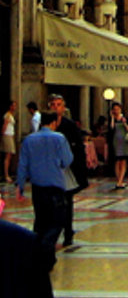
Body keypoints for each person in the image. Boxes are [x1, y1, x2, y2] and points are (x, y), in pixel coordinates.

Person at [16, 112, 74, 270]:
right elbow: (67, 160)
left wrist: (19, 186)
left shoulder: (29, 139)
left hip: (37, 187)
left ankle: (45, 259)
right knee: (57, 221)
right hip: (55, 186)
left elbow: (22, 164)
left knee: (41, 221)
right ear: (54, 123)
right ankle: (45, 247)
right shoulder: (59, 138)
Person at [49, 94, 88, 247]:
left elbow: (78, 147)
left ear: (63, 107)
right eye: (53, 104)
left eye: (59, 104)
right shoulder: (43, 124)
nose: (56, 107)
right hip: (49, 170)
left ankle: (68, 232)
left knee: (67, 202)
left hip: (66, 170)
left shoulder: (70, 125)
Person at [107, 102, 128, 189]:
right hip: (115, 142)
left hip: (124, 141)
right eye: (114, 109)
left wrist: (125, 123)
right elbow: (111, 128)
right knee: (117, 161)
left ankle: (121, 180)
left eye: (117, 109)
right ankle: (118, 180)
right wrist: (112, 118)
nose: (116, 111)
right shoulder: (112, 119)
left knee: (123, 161)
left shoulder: (125, 119)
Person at [1, 100, 17, 183]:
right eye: (13, 105)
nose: (15, 107)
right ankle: (6, 175)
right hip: (7, 135)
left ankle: (7, 174)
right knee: (7, 156)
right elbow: (4, 126)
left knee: (9, 156)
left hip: (10, 135)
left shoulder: (11, 115)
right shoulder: (7, 115)